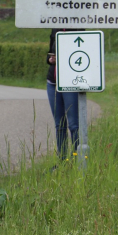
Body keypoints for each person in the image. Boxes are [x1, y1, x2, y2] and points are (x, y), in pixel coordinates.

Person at [46, 29, 79, 159]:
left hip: (70, 82)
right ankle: (62, 160)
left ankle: (77, 158)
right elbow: (49, 54)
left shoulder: (78, 28)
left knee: (74, 125)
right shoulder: (55, 28)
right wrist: (51, 59)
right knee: (59, 125)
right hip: (53, 82)